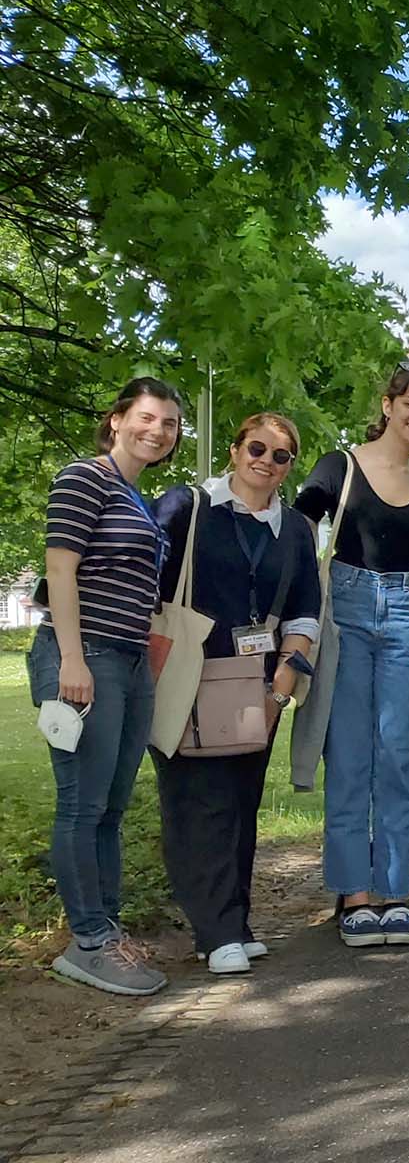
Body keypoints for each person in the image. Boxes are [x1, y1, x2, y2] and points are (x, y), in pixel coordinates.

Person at [151, 414, 322, 975]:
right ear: (233, 450)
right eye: (257, 447)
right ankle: (216, 927)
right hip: (187, 671)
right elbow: (141, 577)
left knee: (242, 798)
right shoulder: (187, 507)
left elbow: (304, 604)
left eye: (281, 455)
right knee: (197, 800)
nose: (266, 461)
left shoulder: (294, 527)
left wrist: (288, 674)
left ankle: (232, 923)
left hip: (256, 679)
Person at [32, 378, 183, 996]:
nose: (159, 430)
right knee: (82, 804)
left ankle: (109, 932)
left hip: (127, 659)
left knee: (112, 808)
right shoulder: (84, 478)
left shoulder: (137, 497)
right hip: (83, 655)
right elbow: (60, 568)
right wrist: (72, 658)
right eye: (148, 417)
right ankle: (88, 942)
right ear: (116, 419)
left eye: (171, 423)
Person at [293, 363, 409, 948]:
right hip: (348, 611)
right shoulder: (341, 465)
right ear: (388, 404)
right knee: (352, 752)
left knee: (402, 754)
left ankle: (394, 891)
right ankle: (355, 895)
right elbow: (297, 533)